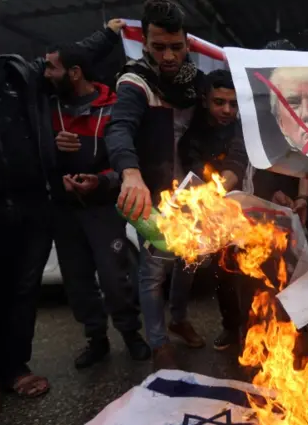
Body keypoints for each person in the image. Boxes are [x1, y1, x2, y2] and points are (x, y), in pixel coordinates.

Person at [0, 4, 125, 419]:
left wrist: (110, 33)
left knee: (23, 290)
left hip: (29, 203)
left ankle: (15, 367)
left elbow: (65, 57)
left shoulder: (16, 74)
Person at [105, 0, 206, 371]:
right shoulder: (135, 82)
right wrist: (130, 173)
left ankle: (179, 318)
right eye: (159, 46)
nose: (168, 55)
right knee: (153, 271)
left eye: (176, 47)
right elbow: (119, 128)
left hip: (194, 192)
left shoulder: (196, 83)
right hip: (154, 194)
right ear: (145, 42)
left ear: (187, 44)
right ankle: (159, 341)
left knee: (190, 263)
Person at [44, 44, 151, 369]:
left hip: (103, 208)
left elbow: (128, 157)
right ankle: (96, 339)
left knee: (115, 277)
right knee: (76, 281)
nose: (44, 74)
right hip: (64, 210)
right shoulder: (46, 107)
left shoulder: (113, 108)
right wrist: (57, 173)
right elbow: (31, 155)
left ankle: (131, 334)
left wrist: (101, 181)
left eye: (51, 68)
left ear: (74, 72)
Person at [177, 69, 250, 350]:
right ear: (206, 100)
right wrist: (211, 195)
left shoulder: (243, 128)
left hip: (248, 206)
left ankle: (263, 327)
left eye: (233, 104)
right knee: (225, 274)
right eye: (220, 102)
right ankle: (232, 328)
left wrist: (220, 186)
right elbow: (192, 171)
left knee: (259, 271)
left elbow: (238, 163)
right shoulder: (192, 134)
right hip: (211, 214)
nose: (227, 110)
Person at [255, 39, 308, 261]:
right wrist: (268, 192)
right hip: (273, 186)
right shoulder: (255, 107)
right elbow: (255, 153)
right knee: (275, 255)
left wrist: (303, 196)